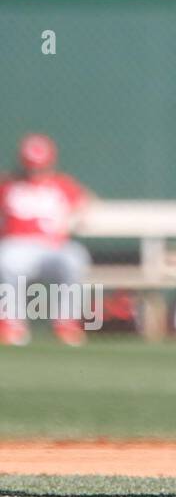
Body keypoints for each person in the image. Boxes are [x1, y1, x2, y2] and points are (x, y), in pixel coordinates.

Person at [0, 134, 91, 346]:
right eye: (32, 166)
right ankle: (11, 323)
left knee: (74, 257)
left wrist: (73, 219)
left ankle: (65, 323)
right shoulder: (9, 185)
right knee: (4, 259)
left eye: (40, 166)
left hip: (52, 247)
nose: (35, 171)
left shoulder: (61, 184)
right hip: (17, 245)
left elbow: (86, 202)